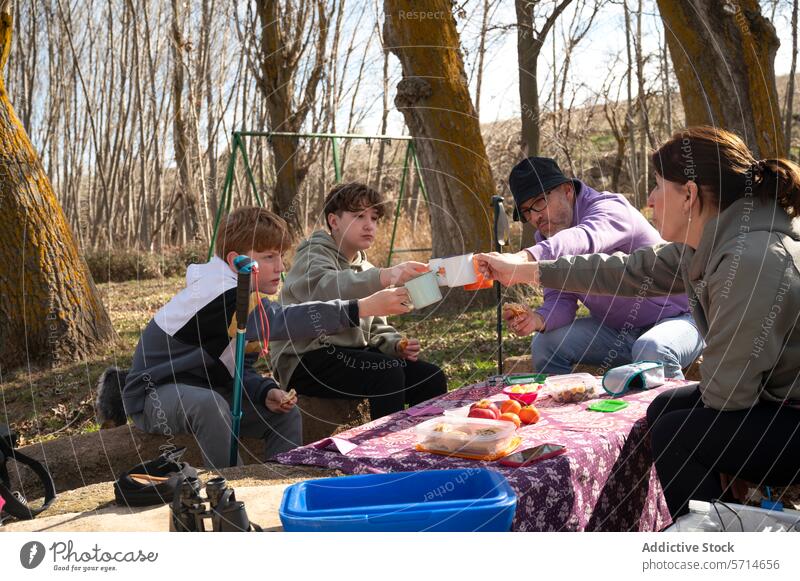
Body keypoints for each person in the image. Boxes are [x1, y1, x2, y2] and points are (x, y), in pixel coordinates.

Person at [476, 126, 800, 518]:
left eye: (658, 186)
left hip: (788, 415)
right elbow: (625, 271)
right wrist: (529, 272)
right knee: (663, 408)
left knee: (676, 433)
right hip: (771, 399)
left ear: (690, 194)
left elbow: (728, 394)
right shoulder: (716, 243)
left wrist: (526, 260)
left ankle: (723, 543)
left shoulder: (750, 258)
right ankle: (713, 514)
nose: (649, 199)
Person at [122, 207, 411, 469]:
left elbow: (238, 367)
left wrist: (263, 392)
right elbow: (281, 321)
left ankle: (280, 482)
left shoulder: (242, 295)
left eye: (280, 256)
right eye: (268, 257)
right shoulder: (218, 291)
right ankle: (232, 491)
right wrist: (364, 307)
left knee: (283, 415)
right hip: (154, 395)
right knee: (209, 404)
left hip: (207, 388)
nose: (280, 267)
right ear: (237, 262)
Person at [504, 156, 703, 378]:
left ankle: (666, 412)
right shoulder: (547, 238)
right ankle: (565, 406)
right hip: (615, 333)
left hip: (679, 319)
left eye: (539, 202)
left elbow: (585, 239)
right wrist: (538, 319)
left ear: (567, 190)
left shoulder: (609, 208)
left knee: (651, 348)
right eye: (526, 211)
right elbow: (561, 300)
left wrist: (524, 258)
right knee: (545, 344)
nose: (535, 216)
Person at [271, 182, 448, 419]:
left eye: (374, 218)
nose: (369, 225)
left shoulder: (366, 268)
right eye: (358, 216)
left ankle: (423, 442)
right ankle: (382, 450)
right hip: (304, 359)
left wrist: (395, 344)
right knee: (386, 372)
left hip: (352, 354)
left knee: (430, 376)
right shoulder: (313, 253)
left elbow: (374, 326)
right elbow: (327, 288)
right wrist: (386, 276)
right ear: (334, 221)